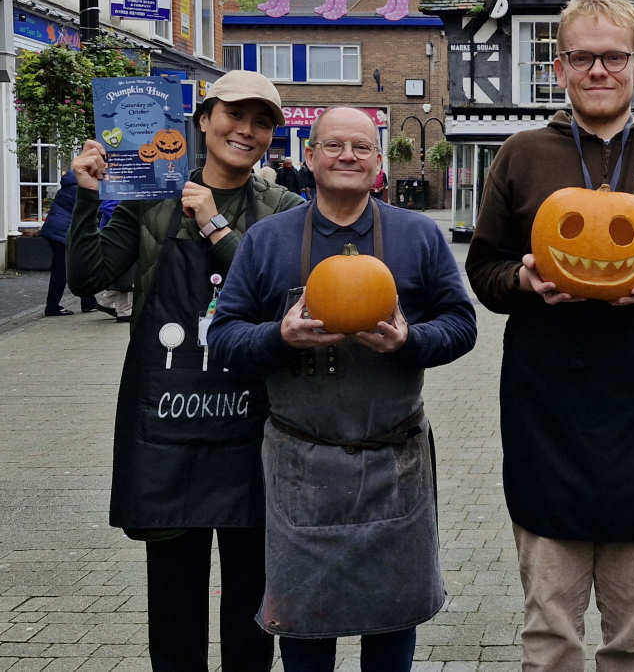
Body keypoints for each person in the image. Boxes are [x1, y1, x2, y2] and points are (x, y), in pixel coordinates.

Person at [465, 0, 634, 671]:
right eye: (582, 58)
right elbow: (484, 272)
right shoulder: (522, 155)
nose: (598, 71)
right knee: (551, 630)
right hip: (545, 410)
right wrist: (523, 282)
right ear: (558, 68)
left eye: (612, 57)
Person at [207, 106, 477, 672]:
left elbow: (462, 325)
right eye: (333, 146)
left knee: (392, 621)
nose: (347, 156)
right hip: (300, 461)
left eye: (361, 147)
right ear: (310, 157)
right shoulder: (266, 240)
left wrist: (410, 341)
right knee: (304, 627)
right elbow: (226, 336)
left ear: (378, 161)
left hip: (394, 460)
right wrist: (280, 336)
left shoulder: (418, 236)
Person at [67, 71, 305, 671]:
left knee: (253, 603)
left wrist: (214, 227)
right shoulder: (148, 198)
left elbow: (286, 296)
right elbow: (89, 278)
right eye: (234, 116)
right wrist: (88, 194)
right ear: (203, 120)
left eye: (261, 122)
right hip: (168, 434)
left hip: (251, 431)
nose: (245, 131)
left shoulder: (284, 210)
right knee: (174, 606)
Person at [41, 169, 98, 316]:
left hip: (56, 230)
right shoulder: (80, 187)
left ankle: (88, 302)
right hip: (62, 232)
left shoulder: (71, 183)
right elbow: (90, 208)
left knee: (75, 266)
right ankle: (53, 306)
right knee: (64, 270)